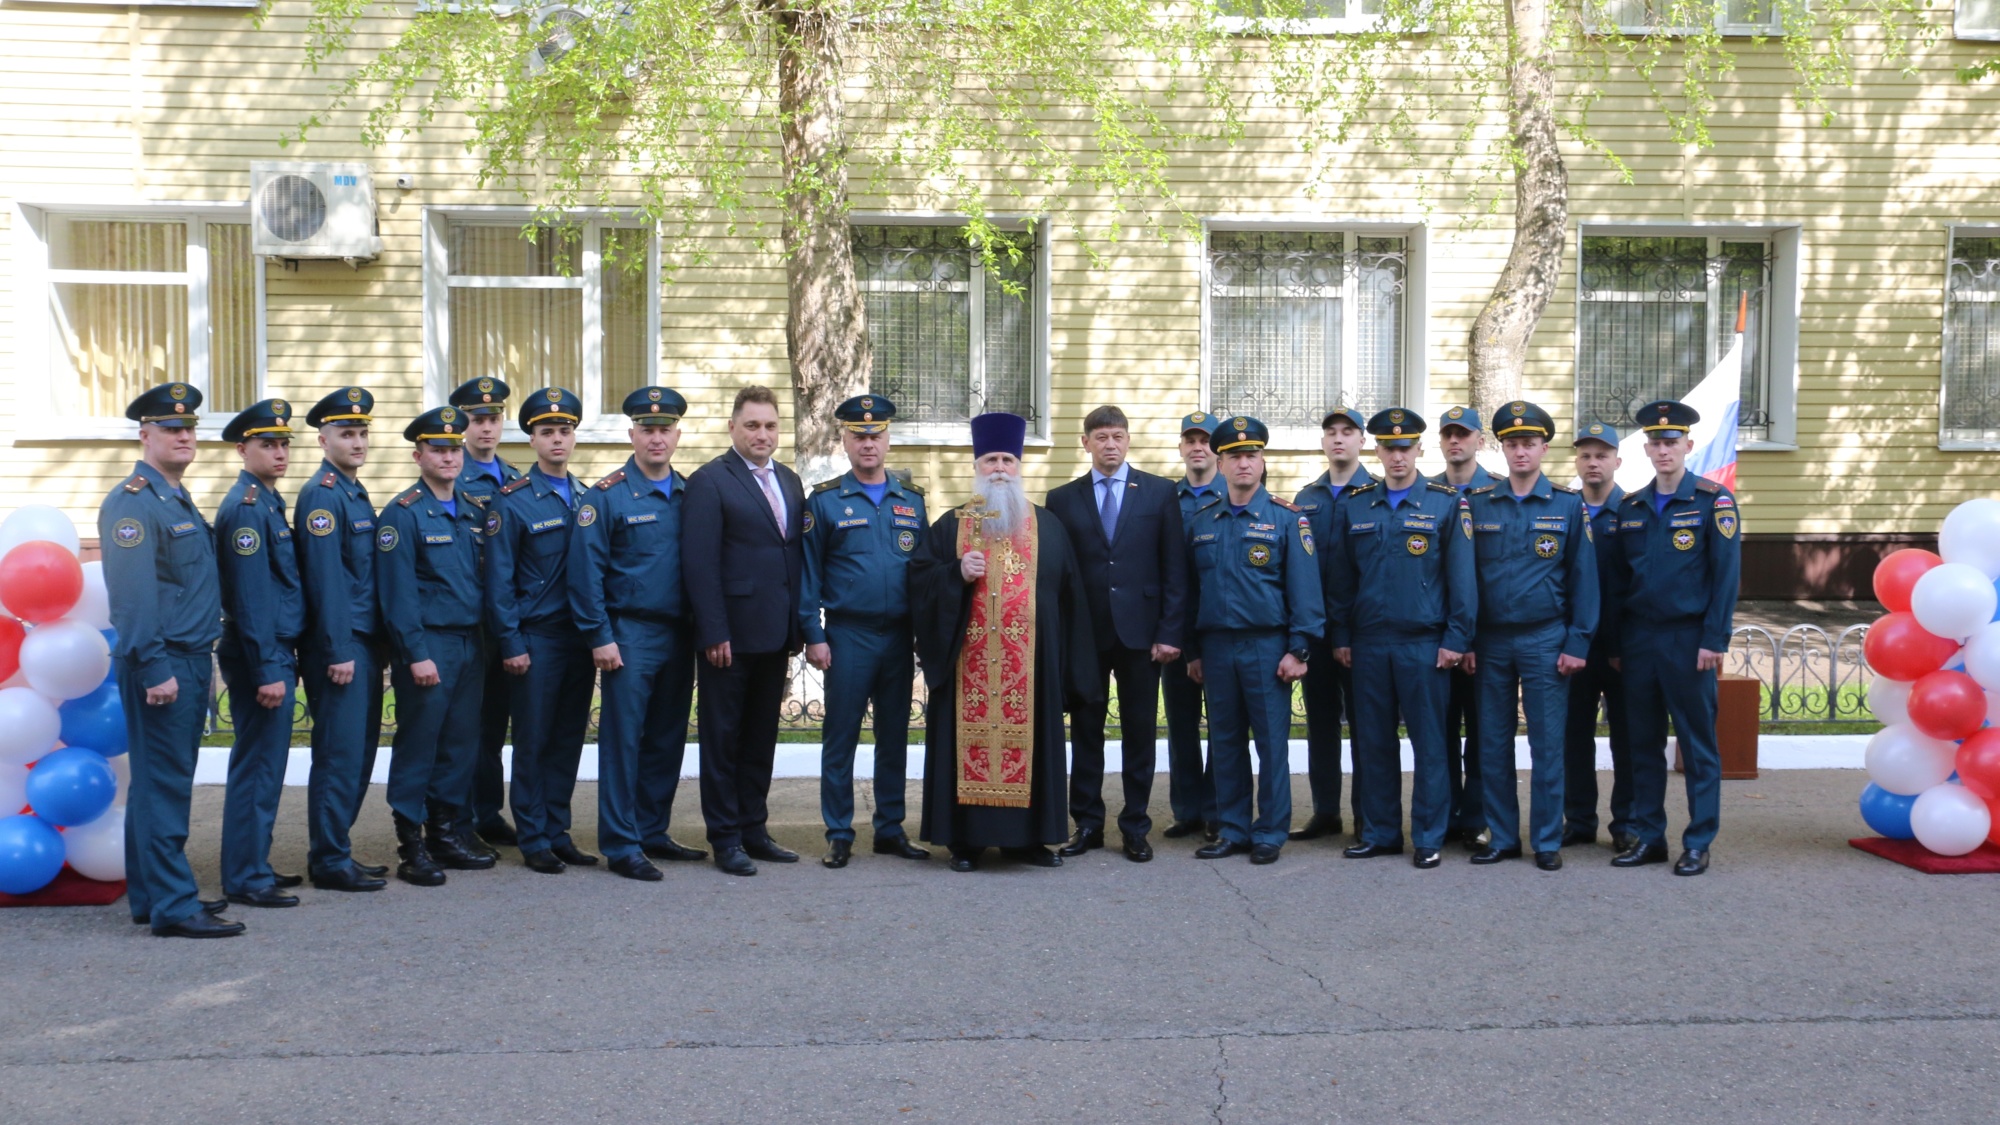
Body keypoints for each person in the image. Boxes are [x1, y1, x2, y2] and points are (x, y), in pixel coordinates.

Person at [911, 412, 1100, 872]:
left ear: (1019, 466)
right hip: (966, 673)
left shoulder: (1048, 528)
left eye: (1008, 459)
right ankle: (966, 841)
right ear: (978, 465)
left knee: (1033, 745)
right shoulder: (951, 526)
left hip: (1030, 673)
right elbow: (918, 581)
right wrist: (954, 574)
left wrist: (1072, 673)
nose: (1000, 468)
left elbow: (1071, 601)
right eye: (992, 459)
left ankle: (1030, 840)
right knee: (966, 745)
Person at [100, 383, 236, 938]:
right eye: (171, 428)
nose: (183, 436)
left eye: (189, 428)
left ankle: (151, 896)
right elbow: (131, 598)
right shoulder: (133, 502)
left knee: (157, 782)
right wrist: (154, 667)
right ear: (145, 435)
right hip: (163, 662)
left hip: (185, 656)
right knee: (166, 785)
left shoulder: (171, 496)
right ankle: (176, 907)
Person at [1326, 408, 1477, 869]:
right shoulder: (1356, 505)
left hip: (1424, 643)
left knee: (1430, 744)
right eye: (1389, 447)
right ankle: (1381, 831)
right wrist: (1342, 635)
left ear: (1419, 450)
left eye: (1405, 447)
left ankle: (1429, 836)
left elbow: (1462, 581)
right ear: (1377, 450)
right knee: (1373, 742)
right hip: (1369, 643)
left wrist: (1456, 637)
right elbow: (1341, 581)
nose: (1397, 455)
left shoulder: (1446, 503)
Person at [570, 386, 707, 883]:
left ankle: (652, 830)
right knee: (624, 740)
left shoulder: (691, 494)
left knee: (667, 738)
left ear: (676, 435)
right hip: (629, 633)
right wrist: (599, 636)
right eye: (647, 430)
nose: (656, 438)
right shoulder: (605, 497)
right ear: (631, 434)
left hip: (679, 634)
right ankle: (621, 843)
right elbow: (585, 574)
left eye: (664, 429)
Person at [1046, 405, 1188, 864]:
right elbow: (1060, 574)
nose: (1111, 444)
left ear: (1129, 441)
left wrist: (1169, 632)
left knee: (1139, 731)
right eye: (1101, 437)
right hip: (1086, 634)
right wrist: (1064, 635)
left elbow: (1174, 569)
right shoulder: (1062, 499)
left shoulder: (1159, 493)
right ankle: (1086, 822)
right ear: (1085, 443)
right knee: (1086, 730)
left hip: (1142, 635)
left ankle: (1135, 825)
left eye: (1118, 436)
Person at [1461, 401, 1598, 871]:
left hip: (1546, 638)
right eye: (1513, 443)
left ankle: (1545, 840)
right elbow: (1465, 582)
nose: (1521, 451)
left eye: (1530, 443)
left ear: (1543, 447)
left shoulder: (1567, 505)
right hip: (1492, 642)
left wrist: (1577, 642)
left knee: (1547, 743)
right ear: (1502, 448)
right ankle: (1501, 837)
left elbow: (1585, 581)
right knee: (1493, 743)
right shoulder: (1479, 505)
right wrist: (1468, 640)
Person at [1607, 400, 1742, 876]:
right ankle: (1649, 836)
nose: (1663, 450)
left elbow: (1725, 577)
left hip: (1689, 642)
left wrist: (1715, 639)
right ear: (1645, 449)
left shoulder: (1712, 500)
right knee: (1642, 744)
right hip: (1641, 642)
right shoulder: (1632, 506)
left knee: (1697, 743)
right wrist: (1620, 646)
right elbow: (1622, 583)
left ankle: (1699, 841)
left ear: (1688, 445)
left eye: (1672, 442)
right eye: (1656, 443)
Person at [800, 394, 931, 869]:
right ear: (845, 441)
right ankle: (838, 831)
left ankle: (889, 829)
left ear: (888, 440)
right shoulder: (827, 501)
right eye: (859, 436)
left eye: (876, 435)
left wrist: (925, 632)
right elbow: (807, 574)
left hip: (899, 636)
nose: (868, 443)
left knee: (894, 736)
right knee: (842, 738)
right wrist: (812, 634)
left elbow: (925, 572)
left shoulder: (911, 502)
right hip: (848, 635)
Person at [1184, 416, 1322, 865]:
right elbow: (1191, 592)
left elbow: (1306, 590)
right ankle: (1233, 828)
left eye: (1252, 455)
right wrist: (1193, 650)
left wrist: (1299, 647)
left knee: (1270, 743)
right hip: (1218, 647)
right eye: (1234, 457)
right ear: (1220, 464)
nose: (1244, 464)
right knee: (1224, 742)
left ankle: (1270, 830)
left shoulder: (1287, 519)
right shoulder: (1203, 521)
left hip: (1268, 647)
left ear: (1262, 462)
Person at [683, 385, 807, 877]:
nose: (762, 434)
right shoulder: (710, 481)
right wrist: (713, 631)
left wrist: (799, 626)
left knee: (761, 738)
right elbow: (699, 563)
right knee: (723, 739)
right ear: (732, 427)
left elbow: (792, 556)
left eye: (770, 425)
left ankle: (754, 828)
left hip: (774, 633)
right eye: (752, 425)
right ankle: (726, 837)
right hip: (728, 639)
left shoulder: (791, 482)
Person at [375, 405, 496, 886]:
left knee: (460, 744)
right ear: (418, 454)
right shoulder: (402, 514)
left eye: (453, 448)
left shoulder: (470, 510)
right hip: (429, 648)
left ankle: (446, 834)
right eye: (437, 449)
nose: (448, 457)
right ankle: (411, 845)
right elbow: (397, 594)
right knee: (420, 745)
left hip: (470, 643)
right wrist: (415, 653)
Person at [486, 388, 603, 876]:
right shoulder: (511, 502)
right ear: (531, 439)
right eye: (546, 432)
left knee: (567, 740)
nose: (557, 439)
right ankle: (532, 836)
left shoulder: (586, 497)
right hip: (536, 640)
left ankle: (558, 831)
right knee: (533, 742)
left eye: (565, 430)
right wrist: (511, 643)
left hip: (577, 639)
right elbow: (498, 582)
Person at [294, 387, 390, 893]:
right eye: (346, 433)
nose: (357, 441)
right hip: (342, 645)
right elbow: (326, 580)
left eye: (362, 433)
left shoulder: (353, 490)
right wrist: (336, 650)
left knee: (359, 752)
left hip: (363, 641)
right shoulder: (323, 496)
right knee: (338, 754)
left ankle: (338, 849)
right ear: (323, 439)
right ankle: (329, 859)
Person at [215, 398, 306, 911]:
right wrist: (269, 667)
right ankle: (245, 876)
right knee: (257, 766)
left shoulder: (269, 501)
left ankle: (255, 862)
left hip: (270, 650)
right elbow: (250, 602)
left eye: (282, 444)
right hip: (259, 655)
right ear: (242, 449)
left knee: (267, 765)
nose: (278, 452)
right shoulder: (247, 509)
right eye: (266, 444)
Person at [1291, 406, 1374, 844]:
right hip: (1318, 633)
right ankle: (1326, 811)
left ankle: (1366, 816)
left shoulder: (1377, 495)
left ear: (1362, 441)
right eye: (1331, 432)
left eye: (1348, 432)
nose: (1338, 439)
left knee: (1365, 728)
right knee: (1320, 725)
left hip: (1362, 634)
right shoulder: (1307, 499)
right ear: (1323, 442)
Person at [449, 376, 522, 849]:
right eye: (477, 420)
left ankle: (488, 811)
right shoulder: (451, 477)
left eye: (494, 419)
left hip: (506, 620)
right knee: (463, 726)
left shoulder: (515, 478)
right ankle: (457, 818)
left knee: (494, 722)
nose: (486, 429)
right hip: (468, 619)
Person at [1563, 421, 1635, 852]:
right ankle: (1579, 819)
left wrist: (1624, 646)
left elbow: (1639, 584)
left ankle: (1625, 822)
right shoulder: (1566, 510)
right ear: (1577, 461)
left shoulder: (1634, 511)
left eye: (1602, 455)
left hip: (1620, 649)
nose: (1593, 463)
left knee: (1626, 738)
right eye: (1586, 455)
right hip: (1575, 647)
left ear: (1617, 462)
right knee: (1574, 737)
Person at [1436, 405, 1498, 849]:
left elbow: (1491, 577)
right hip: (1435, 638)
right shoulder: (1428, 494)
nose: (1456, 442)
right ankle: (1443, 815)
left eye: (1464, 434)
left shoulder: (1496, 493)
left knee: (1480, 733)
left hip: (1485, 641)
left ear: (1479, 440)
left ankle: (1475, 817)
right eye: (1448, 435)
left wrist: (1471, 639)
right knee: (1438, 733)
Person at [1162, 412, 1224, 841]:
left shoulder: (1239, 492)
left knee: (1224, 723)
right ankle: (1187, 810)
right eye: (1190, 440)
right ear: (1181, 448)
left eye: (1205, 440)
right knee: (1181, 722)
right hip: (1178, 627)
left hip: (1222, 625)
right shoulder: (1166, 500)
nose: (1198, 447)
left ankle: (1219, 808)